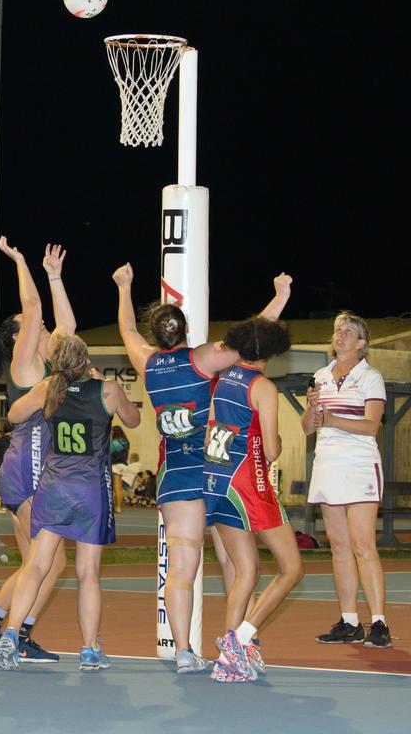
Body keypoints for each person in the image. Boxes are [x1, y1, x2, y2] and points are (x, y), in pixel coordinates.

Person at [112, 262, 292, 673]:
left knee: (182, 567)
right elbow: (252, 338)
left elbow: (127, 332)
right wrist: (279, 298)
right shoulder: (204, 358)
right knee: (237, 563)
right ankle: (239, 641)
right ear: (185, 330)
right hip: (217, 469)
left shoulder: (147, 363)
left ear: (157, 334)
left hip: (175, 472)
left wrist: (124, 288)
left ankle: (182, 651)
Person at [0, 333, 141, 671]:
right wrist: (101, 381)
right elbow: (133, 419)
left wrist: (47, 387)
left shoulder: (48, 389)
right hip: (91, 491)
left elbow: (14, 415)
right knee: (87, 572)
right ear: (86, 361)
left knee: (36, 566)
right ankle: (89, 649)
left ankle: (10, 635)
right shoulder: (106, 389)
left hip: (53, 488)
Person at [0, 239, 74, 664]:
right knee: (49, 563)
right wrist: (23, 262)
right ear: (18, 338)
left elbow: (66, 324)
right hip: (27, 467)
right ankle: (14, 632)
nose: (45, 330)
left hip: (31, 469)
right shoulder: (25, 363)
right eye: (35, 328)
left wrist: (55, 278)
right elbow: (33, 307)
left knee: (42, 563)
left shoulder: (46, 362)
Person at [203, 318, 304, 682]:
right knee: (291, 569)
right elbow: (273, 450)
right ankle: (240, 639)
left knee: (246, 571)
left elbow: (213, 431)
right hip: (249, 483)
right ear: (273, 351)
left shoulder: (222, 379)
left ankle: (230, 654)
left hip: (217, 479)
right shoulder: (263, 387)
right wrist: (266, 438)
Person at [302, 311, 391, 648]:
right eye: (337, 330)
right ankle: (349, 620)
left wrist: (333, 418)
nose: (340, 335)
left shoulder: (371, 377)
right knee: (338, 547)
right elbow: (309, 428)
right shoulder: (321, 375)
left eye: (348, 331)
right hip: (327, 464)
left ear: (361, 342)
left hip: (359, 465)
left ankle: (379, 622)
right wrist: (312, 411)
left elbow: (372, 426)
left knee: (363, 546)